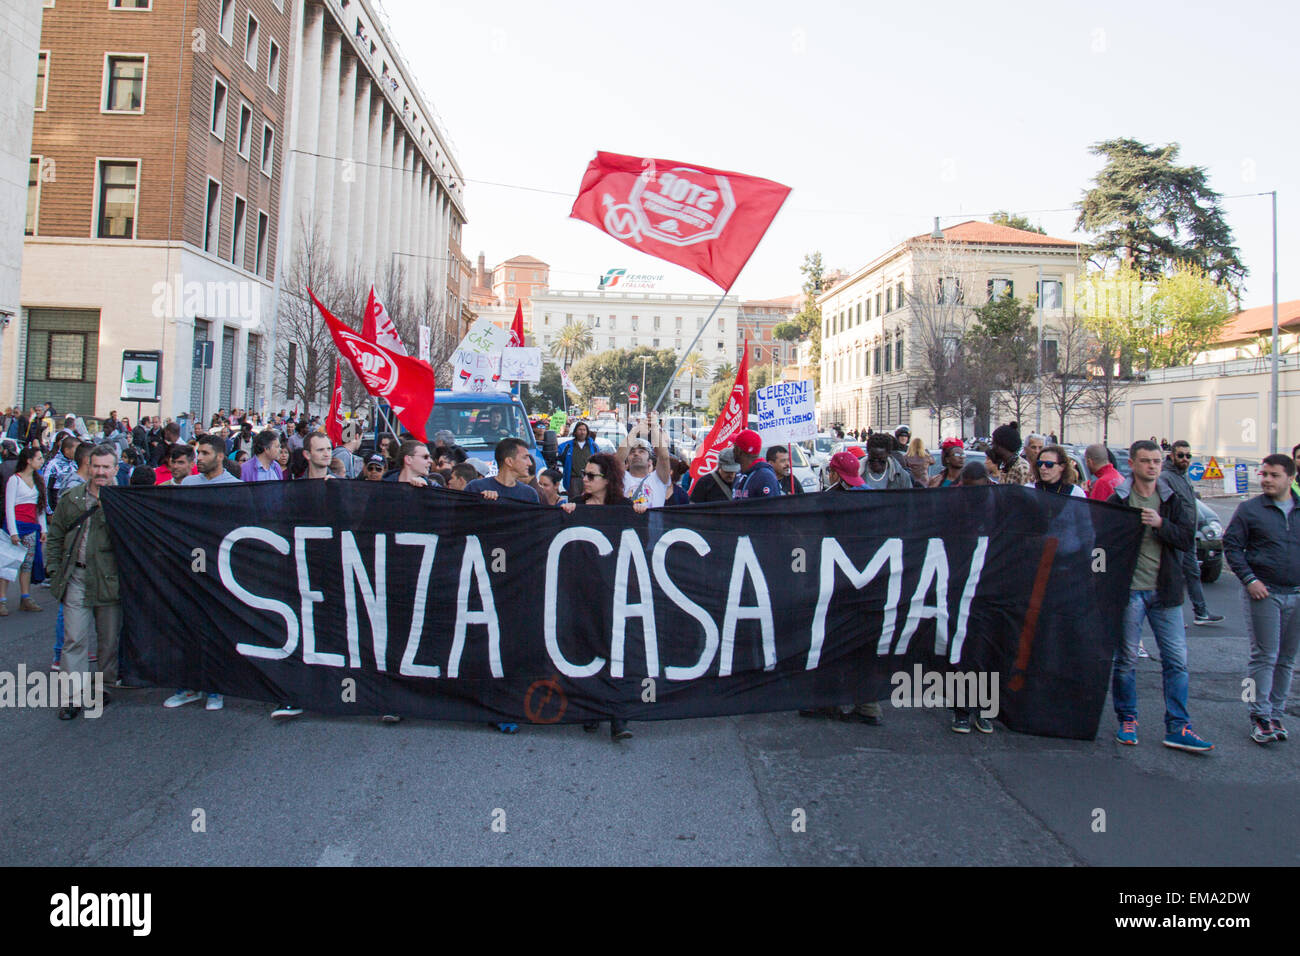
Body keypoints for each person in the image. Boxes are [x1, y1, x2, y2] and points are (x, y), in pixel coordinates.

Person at [1108, 440, 1213, 753]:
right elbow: (1105, 543)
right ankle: (1127, 719)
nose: (1152, 466)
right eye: (1146, 461)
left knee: (1177, 661)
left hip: (1165, 591)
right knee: (1125, 660)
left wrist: (1160, 524)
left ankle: (1178, 725)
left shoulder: (1170, 499)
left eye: (1156, 461)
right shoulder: (1120, 499)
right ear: (1133, 463)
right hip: (1130, 592)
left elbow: (1185, 539)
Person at [560, 452, 647, 741]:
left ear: (607, 480)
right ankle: (591, 709)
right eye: (583, 474)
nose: (584, 480)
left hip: (616, 592)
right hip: (583, 591)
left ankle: (618, 717)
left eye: (591, 476)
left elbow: (642, 542)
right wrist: (565, 514)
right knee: (586, 648)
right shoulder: (576, 506)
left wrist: (641, 515)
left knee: (616, 651)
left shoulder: (624, 507)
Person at [1223, 453, 1300, 744]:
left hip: (1297, 593)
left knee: (1287, 658)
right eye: (1264, 474)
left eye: (1274, 475)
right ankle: (1259, 715)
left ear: (1290, 479)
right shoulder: (1250, 510)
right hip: (1264, 592)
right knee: (1264, 655)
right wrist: (1250, 579)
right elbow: (1232, 546)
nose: (1266, 479)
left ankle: (1276, 713)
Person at [48, 444, 122, 720]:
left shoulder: (123, 501)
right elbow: (55, 536)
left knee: (108, 640)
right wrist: (55, 571)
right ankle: (72, 698)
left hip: (109, 580)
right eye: (97, 466)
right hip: (76, 577)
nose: (101, 472)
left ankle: (102, 687)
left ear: (115, 469)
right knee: (74, 638)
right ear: (89, 467)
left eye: (106, 467)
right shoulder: (72, 499)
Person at [1161, 440, 1224, 626]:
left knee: (1193, 573)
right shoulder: (1166, 477)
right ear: (1172, 456)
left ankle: (1201, 613)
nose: (1185, 459)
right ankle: (1171, 616)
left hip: (1189, 535)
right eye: (1180, 455)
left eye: (1188, 456)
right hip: (1176, 536)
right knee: (1173, 577)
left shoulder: (1184, 476)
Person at [3, 446, 47, 616]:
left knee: (27, 564)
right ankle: (2, 600)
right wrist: (13, 531)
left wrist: (43, 528)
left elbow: (40, 507)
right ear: (29, 461)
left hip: (31, 527)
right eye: (39, 458)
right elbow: (9, 506)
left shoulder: (38, 480)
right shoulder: (14, 480)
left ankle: (25, 597)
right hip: (16, 526)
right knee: (9, 564)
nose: (41, 461)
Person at [619, 417, 672, 506]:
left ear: (650, 462)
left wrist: (654, 427)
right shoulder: (622, 478)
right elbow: (619, 459)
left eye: (641, 452)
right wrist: (636, 429)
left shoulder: (658, 479)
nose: (636, 454)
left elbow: (664, 457)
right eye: (632, 452)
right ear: (627, 462)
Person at [467, 438, 540, 503]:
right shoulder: (476, 488)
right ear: (509, 461)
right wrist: (480, 501)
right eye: (525, 458)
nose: (530, 463)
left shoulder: (529, 494)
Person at [733, 429, 782, 498]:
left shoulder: (765, 477)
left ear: (739, 451)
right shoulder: (740, 474)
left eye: (734, 446)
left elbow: (772, 507)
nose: (732, 450)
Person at [557, 421, 599, 492]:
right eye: (580, 430)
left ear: (587, 432)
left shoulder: (593, 446)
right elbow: (557, 455)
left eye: (584, 430)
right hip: (573, 480)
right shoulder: (567, 446)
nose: (582, 432)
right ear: (575, 432)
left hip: (589, 479)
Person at [988, 422, 1032, 486]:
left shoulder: (1022, 468)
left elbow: (1028, 494)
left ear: (1002, 445)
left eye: (994, 443)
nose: (992, 446)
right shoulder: (1006, 467)